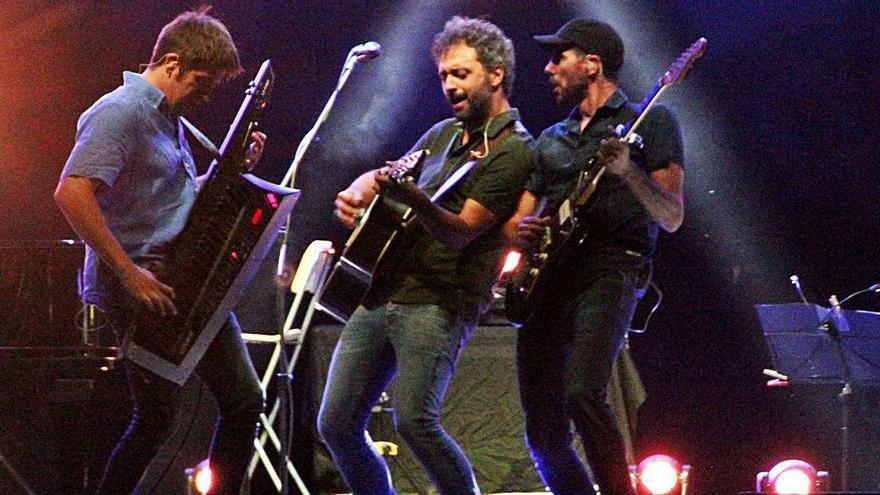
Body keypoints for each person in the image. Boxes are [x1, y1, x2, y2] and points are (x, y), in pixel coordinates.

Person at [316, 16, 534, 495]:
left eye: (461, 74)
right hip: (383, 292)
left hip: (439, 301)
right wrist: (359, 190)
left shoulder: (514, 151)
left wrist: (411, 196)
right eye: (443, 76)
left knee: (415, 420)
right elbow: (389, 173)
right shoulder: (441, 135)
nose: (450, 85)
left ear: (496, 74)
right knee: (335, 424)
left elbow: (461, 232)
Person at [54, 7, 267, 494]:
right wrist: (128, 273)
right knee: (201, 409)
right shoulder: (121, 111)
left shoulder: (167, 118)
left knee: (191, 412)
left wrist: (233, 169)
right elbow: (71, 193)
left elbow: (168, 197)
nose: (206, 96)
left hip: (174, 276)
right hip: (140, 280)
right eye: (201, 82)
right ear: (171, 63)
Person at [508, 19, 685, 495]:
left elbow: (670, 215)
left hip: (612, 267)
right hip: (551, 281)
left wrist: (628, 172)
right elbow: (522, 220)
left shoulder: (651, 123)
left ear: (591, 64)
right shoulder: (550, 140)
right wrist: (523, 235)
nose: (548, 69)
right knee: (543, 433)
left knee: (584, 393)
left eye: (558, 57)